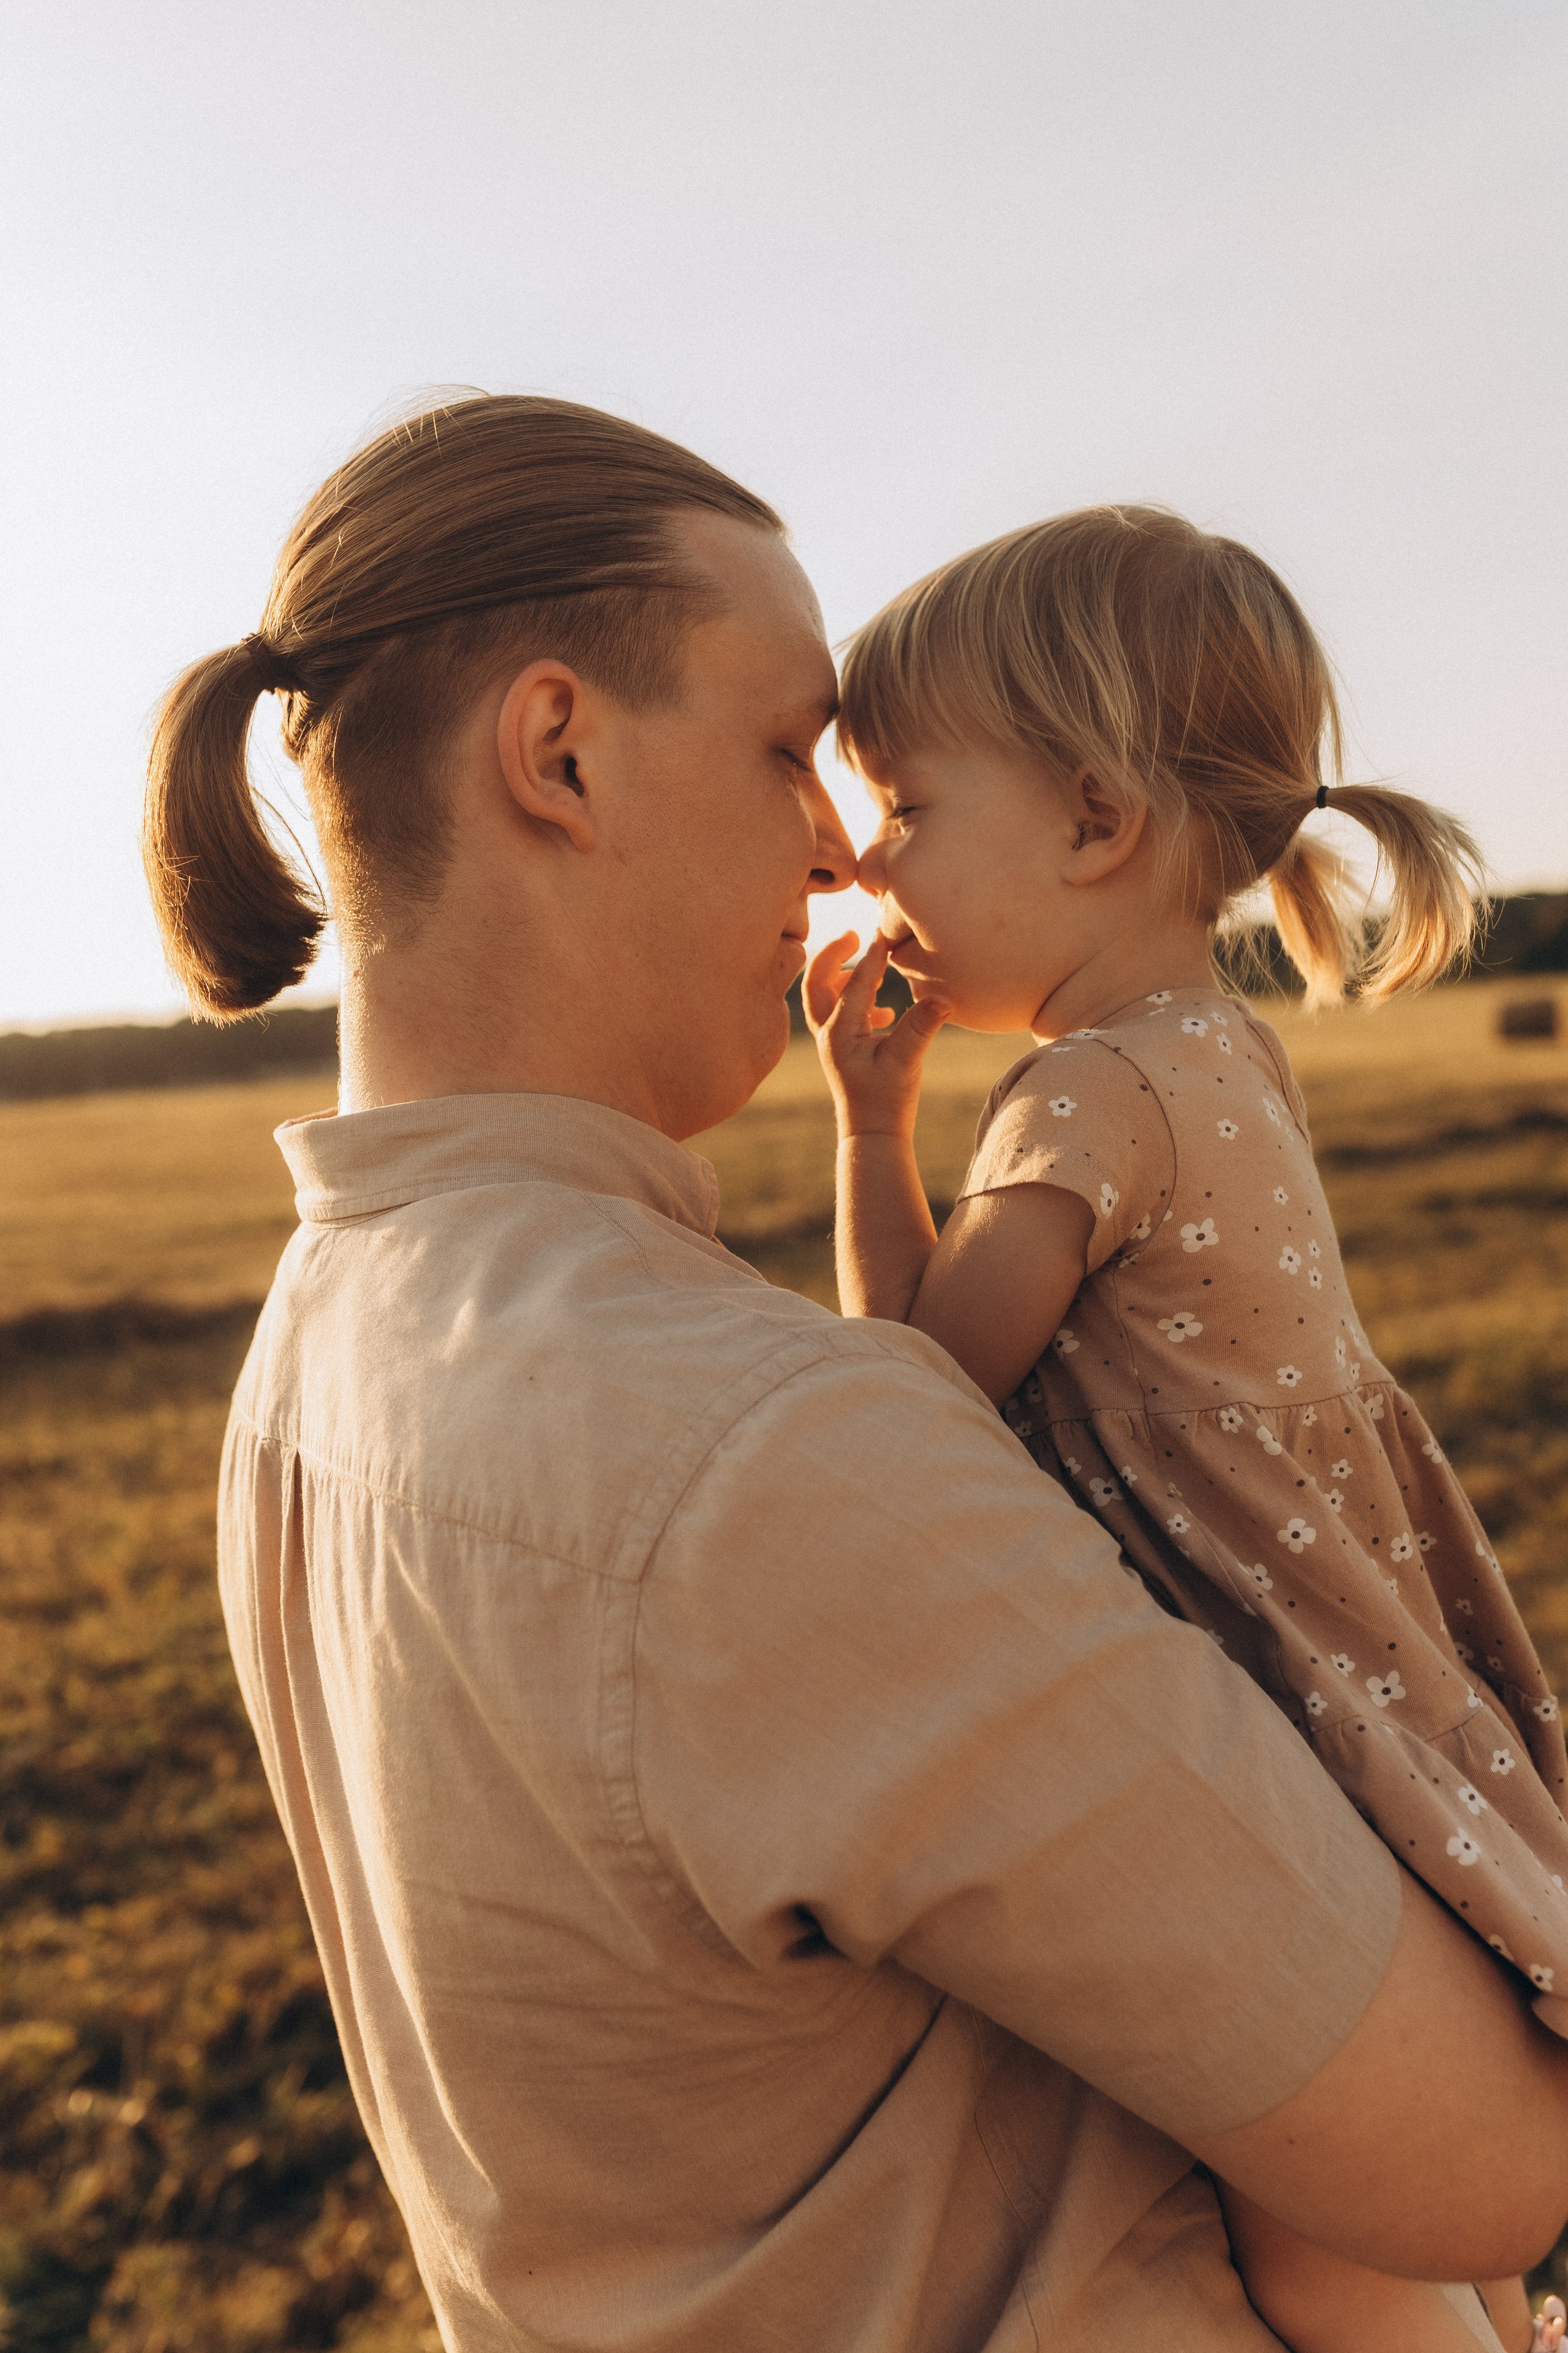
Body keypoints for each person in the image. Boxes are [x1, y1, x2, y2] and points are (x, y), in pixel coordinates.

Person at [141, 398, 1568, 2353]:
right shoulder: (770, 1452)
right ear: (559, 752)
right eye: (786, 751)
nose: (836, 844)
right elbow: (1485, 2159)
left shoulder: (311, 1359)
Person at [806, 504, 1568, 2353]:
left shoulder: (1079, 1098)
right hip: (1353, 1644)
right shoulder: (1212, 1044)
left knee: (1317, 2236)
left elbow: (919, 1385)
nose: (868, 862)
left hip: (1259, 1690)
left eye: (905, 807)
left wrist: (868, 1125)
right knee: (1415, 2166)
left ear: (1090, 820)